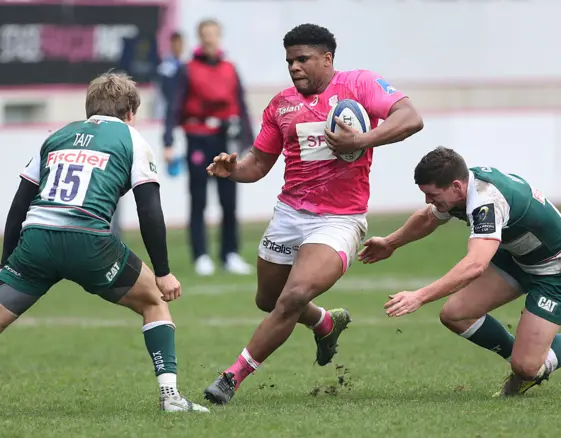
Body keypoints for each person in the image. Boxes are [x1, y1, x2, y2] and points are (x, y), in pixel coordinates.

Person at [203, 23, 424, 405]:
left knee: (295, 294)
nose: (294, 67)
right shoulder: (281, 105)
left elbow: (410, 117)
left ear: (327, 58)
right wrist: (233, 170)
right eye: (290, 60)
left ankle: (231, 377)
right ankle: (325, 321)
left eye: (303, 59)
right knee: (269, 300)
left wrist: (362, 140)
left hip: (339, 219)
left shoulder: (359, 84)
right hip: (289, 215)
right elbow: (257, 163)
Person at [0, 72, 209, 413]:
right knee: (154, 301)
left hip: (36, 241)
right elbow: (150, 210)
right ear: (130, 111)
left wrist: (7, 264)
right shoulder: (132, 139)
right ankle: (170, 397)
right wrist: (163, 271)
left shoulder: (57, 137)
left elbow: (19, 205)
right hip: (90, 242)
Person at [359, 146, 561, 396]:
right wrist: (390, 243)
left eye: (432, 195)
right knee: (455, 315)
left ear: (455, 186)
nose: (428, 200)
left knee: (527, 368)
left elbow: (475, 265)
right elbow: (428, 217)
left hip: (556, 268)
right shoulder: (462, 187)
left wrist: (419, 296)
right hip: (516, 256)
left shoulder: (485, 201)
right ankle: (529, 362)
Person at [163, 19, 253, 276]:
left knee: (229, 200)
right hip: (198, 137)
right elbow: (174, 106)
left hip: (226, 138)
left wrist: (251, 142)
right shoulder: (188, 69)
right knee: (199, 198)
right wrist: (168, 141)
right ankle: (201, 255)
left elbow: (242, 105)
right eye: (205, 34)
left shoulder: (230, 68)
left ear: (219, 36)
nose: (210, 39)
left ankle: (230, 254)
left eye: (213, 34)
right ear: (200, 37)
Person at [157, 31, 185, 119]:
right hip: (170, 109)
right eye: (175, 43)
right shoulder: (165, 66)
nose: (178, 46)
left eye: (180, 43)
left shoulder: (186, 62)